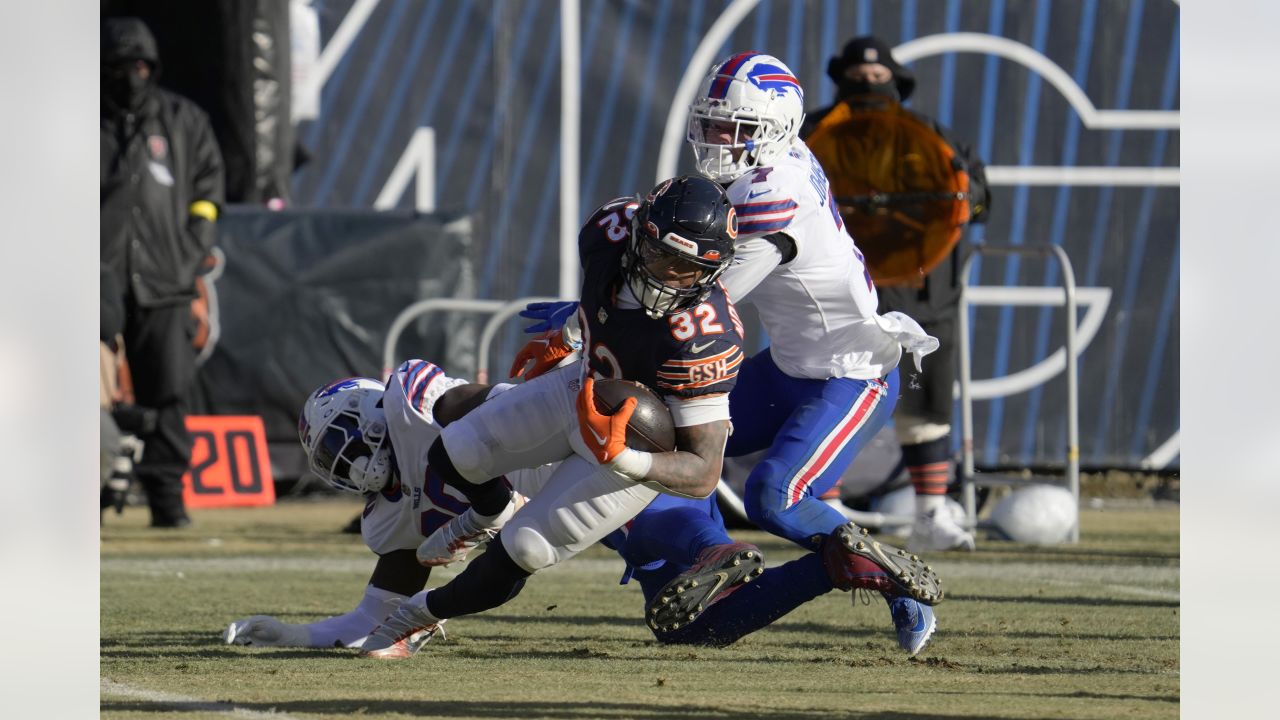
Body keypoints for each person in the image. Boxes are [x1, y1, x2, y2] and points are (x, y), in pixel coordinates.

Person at [519, 53, 945, 654]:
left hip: (852, 373)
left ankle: (891, 578)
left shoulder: (776, 190)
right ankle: (714, 555)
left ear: (774, 131)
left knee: (776, 497)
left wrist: (583, 321)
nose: (716, 139)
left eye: (734, 129)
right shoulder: (770, 163)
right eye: (712, 124)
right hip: (792, 366)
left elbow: (698, 296)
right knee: (663, 441)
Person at [224, 359, 942, 654]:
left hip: (597, 453)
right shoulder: (389, 518)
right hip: (599, 514)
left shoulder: (418, 403)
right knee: (694, 633)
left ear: (372, 411)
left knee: (666, 537)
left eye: (343, 441)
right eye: (330, 462)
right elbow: (370, 624)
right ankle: (840, 565)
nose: (345, 463)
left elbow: (482, 446)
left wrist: (471, 527)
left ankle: (719, 550)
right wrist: (291, 634)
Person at [802, 36, 993, 552]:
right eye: (857, 76)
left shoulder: (933, 137)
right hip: (834, 289)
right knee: (830, 394)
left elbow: (975, 202)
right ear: (839, 77)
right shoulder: (807, 136)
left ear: (897, 81)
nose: (868, 82)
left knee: (923, 400)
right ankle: (829, 510)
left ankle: (930, 513)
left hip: (921, 288)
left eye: (878, 75)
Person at [101, 17, 225, 528]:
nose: (133, 75)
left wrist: (190, 250)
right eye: (121, 65)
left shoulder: (183, 120)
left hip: (165, 278)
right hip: (94, 277)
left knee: (169, 389)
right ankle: (90, 484)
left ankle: (167, 499)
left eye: (142, 64)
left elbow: (208, 192)